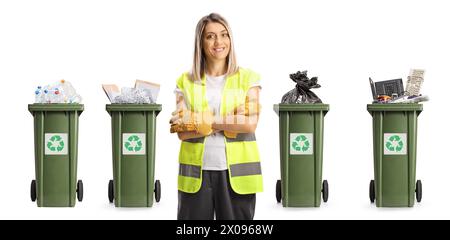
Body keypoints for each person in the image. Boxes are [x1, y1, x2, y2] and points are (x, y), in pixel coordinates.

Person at [170, 13, 263, 220]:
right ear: (200, 42)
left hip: (237, 176)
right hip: (196, 174)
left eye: (224, 35)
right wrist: (229, 121)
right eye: (210, 36)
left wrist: (201, 120)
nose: (218, 42)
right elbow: (182, 132)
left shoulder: (248, 79)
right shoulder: (184, 81)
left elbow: (249, 124)